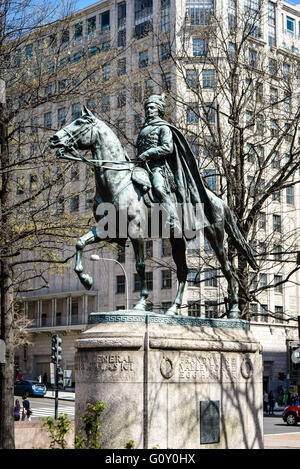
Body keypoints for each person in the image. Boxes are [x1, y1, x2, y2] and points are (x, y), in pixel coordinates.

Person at [136, 93, 216, 239]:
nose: (149, 110)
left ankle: (173, 220)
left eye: (152, 108)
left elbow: (168, 148)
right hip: (141, 168)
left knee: (159, 188)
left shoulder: (163, 128)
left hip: (159, 167)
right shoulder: (143, 130)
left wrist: (148, 153)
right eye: (147, 108)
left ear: (159, 110)